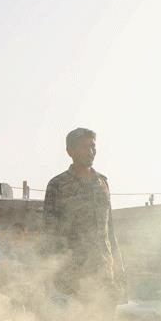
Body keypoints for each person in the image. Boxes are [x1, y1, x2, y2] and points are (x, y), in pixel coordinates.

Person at [43, 128, 125, 301]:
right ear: (70, 151)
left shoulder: (102, 183)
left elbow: (109, 230)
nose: (90, 151)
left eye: (93, 146)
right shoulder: (58, 184)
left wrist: (119, 271)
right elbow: (50, 234)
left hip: (105, 274)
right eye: (83, 147)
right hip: (74, 278)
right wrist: (55, 274)